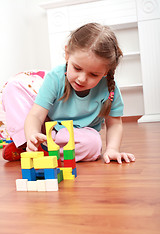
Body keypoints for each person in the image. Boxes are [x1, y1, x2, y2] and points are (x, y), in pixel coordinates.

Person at [2, 22, 135, 164]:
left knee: (93, 144)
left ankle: (41, 150)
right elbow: (35, 115)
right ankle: (28, 144)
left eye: (94, 75)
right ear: (67, 54)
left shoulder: (109, 89)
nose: (82, 79)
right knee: (13, 87)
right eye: (77, 68)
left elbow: (114, 123)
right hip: (47, 126)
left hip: (75, 134)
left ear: (106, 71)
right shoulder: (55, 78)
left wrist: (112, 149)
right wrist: (32, 134)